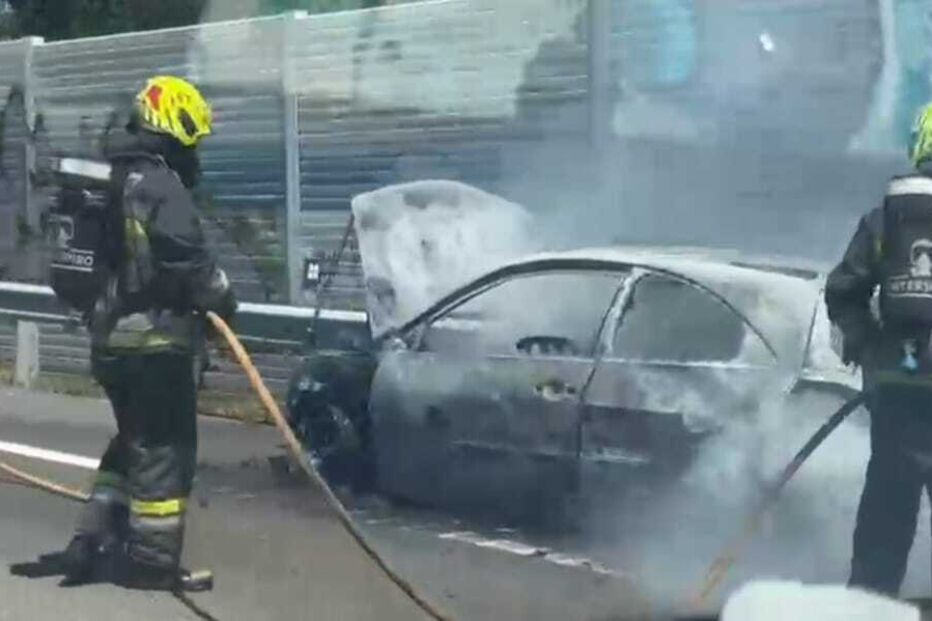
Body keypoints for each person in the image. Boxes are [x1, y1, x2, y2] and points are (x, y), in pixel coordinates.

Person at [60, 75, 236, 591]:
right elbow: (191, 265)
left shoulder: (112, 180)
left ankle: (88, 540)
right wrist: (225, 299)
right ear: (173, 134)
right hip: (154, 346)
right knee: (165, 449)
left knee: (133, 438)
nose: (195, 154)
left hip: (109, 343)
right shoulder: (161, 186)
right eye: (191, 143)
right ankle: (153, 563)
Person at [826, 101, 932, 596]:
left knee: (887, 517)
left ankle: (868, 605)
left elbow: (844, 292)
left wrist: (872, 350)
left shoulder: (887, 218)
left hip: (897, 393)